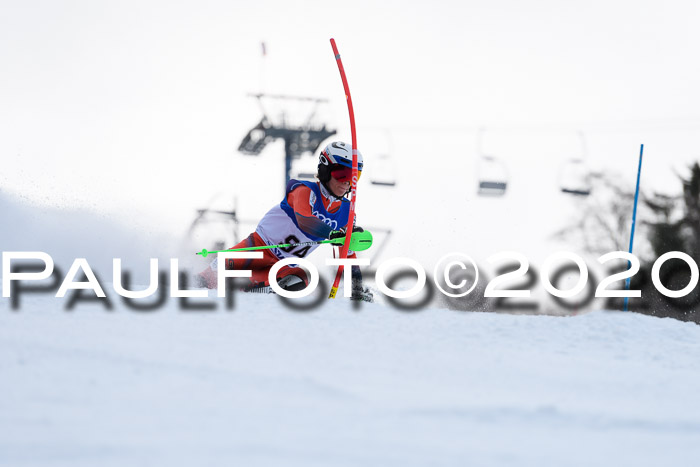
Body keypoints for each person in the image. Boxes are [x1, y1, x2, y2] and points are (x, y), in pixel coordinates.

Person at [197, 141, 372, 300]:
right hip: (254, 251)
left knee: (303, 279)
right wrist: (331, 233)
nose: (347, 183)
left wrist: (356, 288)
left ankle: (255, 296)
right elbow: (304, 220)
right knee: (201, 282)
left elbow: (348, 254)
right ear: (325, 170)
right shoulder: (304, 190)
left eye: (354, 177)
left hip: (282, 268)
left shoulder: (346, 213)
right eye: (342, 174)